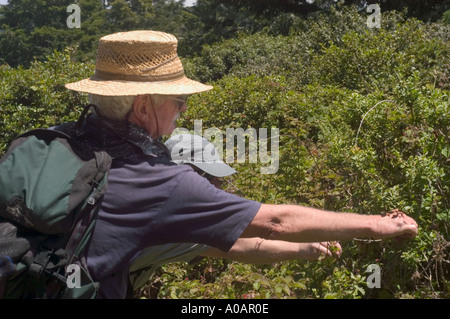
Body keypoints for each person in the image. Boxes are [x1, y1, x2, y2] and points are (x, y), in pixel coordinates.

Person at [60, 30, 418, 298]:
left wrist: (305, 249)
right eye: (179, 100)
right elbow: (276, 222)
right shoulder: (162, 183)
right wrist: (377, 226)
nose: (184, 110)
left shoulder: (51, 142)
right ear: (141, 107)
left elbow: (235, 244)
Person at [129, 134, 342, 291]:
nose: (218, 189)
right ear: (189, 176)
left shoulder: (145, 197)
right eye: (213, 180)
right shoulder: (170, 222)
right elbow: (235, 245)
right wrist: (304, 248)